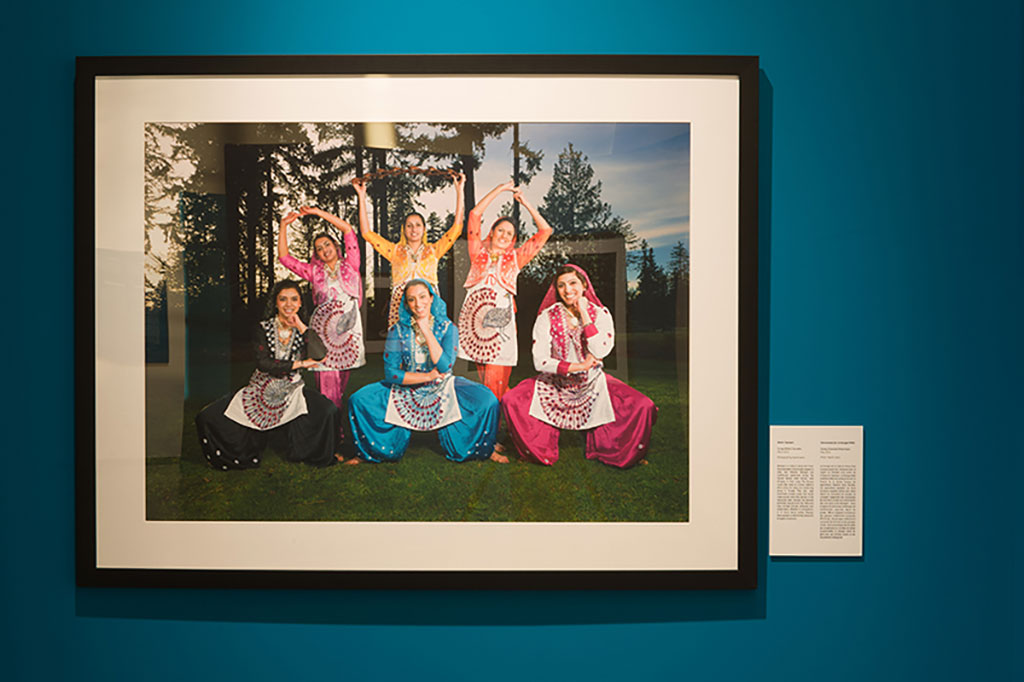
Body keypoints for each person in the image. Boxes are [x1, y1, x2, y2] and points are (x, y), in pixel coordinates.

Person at [501, 265, 657, 468]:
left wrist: (584, 312)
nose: (567, 290)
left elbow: (600, 350)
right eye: (561, 285)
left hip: (592, 383)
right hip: (555, 383)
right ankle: (539, 448)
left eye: (573, 283)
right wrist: (579, 366)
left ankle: (614, 448)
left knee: (642, 405)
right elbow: (540, 361)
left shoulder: (600, 314)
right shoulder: (547, 316)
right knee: (511, 399)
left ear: (584, 285)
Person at [347, 279, 506, 464]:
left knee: (487, 400)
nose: (418, 303)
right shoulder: (397, 331)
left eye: (422, 297)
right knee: (358, 399)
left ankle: (486, 446)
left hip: (443, 385)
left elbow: (445, 366)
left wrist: (425, 329)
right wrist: (427, 376)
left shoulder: (448, 329)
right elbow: (392, 374)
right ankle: (365, 451)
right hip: (407, 386)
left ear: (432, 298)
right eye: (412, 299)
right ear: (406, 304)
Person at [195, 280, 338, 470]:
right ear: (276, 303)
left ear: (300, 303)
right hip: (261, 388)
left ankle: (304, 452)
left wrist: (302, 327)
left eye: (294, 299)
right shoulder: (262, 328)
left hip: (292, 389)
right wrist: (301, 363)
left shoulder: (304, 330)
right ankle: (241, 454)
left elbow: (320, 354)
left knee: (327, 409)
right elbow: (264, 364)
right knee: (209, 416)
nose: (289, 304)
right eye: (283, 299)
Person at [278, 206, 365, 451]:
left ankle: (331, 433)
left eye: (327, 244)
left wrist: (318, 212)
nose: (324, 250)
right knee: (328, 388)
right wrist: (284, 225)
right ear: (316, 254)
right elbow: (285, 258)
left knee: (339, 389)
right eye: (319, 248)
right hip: (323, 336)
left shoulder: (351, 265)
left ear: (336, 246)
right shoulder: (314, 272)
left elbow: (348, 230)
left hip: (349, 337)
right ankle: (332, 441)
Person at [457, 181, 553, 401]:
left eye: (509, 233)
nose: (503, 235)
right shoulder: (477, 252)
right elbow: (474, 214)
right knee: (487, 381)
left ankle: (499, 424)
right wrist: (500, 189)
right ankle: (508, 418)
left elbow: (545, 231)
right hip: (476, 322)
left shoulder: (516, 258)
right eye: (500, 230)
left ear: (513, 239)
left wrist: (524, 201)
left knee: (495, 379)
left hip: (500, 322)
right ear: (492, 232)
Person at [352, 172, 465, 327]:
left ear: (424, 229)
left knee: (428, 346)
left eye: (418, 225)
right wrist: (361, 196)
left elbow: (457, 229)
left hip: (428, 307)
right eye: (409, 226)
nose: (414, 229)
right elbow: (366, 233)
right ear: (403, 230)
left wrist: (460, 190)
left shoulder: (434, 251)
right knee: (404, 348)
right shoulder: (394, 251)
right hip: (402, 306)